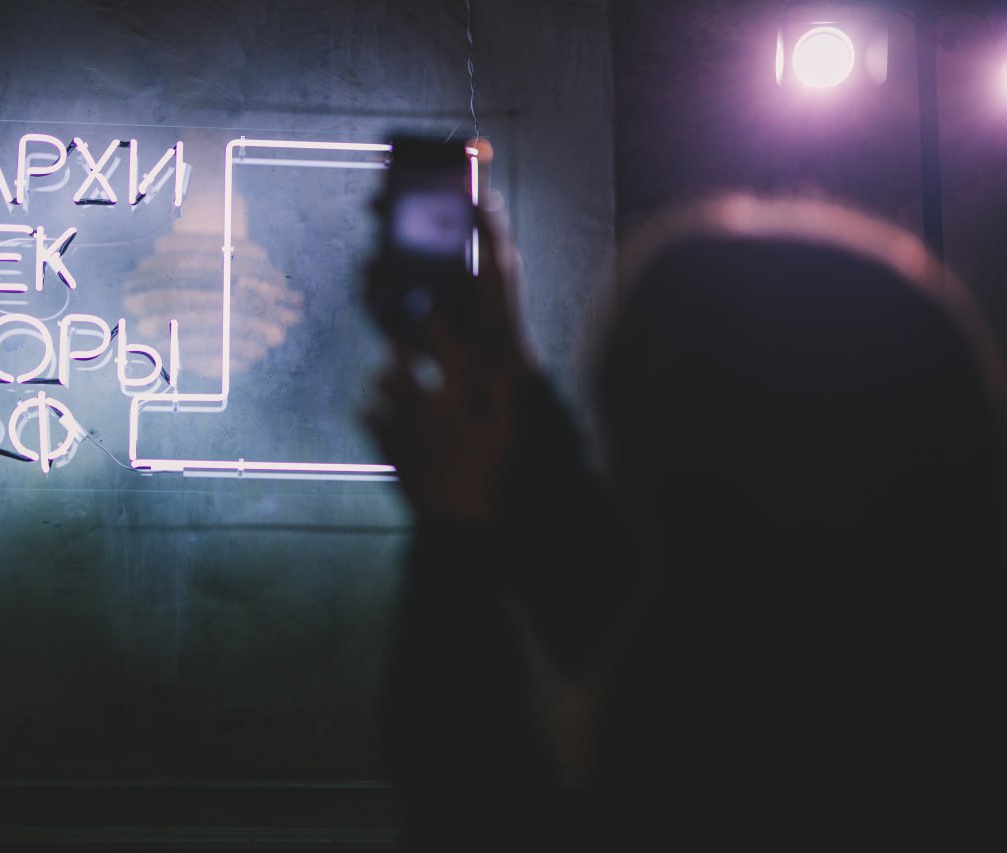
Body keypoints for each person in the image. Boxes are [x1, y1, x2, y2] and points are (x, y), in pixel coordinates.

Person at [360, 193, 1006, 849]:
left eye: (633, 476)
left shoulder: (706, 729)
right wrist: (502, 368)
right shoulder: (921, 734)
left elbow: (472, 794)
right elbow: (629, 595)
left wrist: (452, 541)